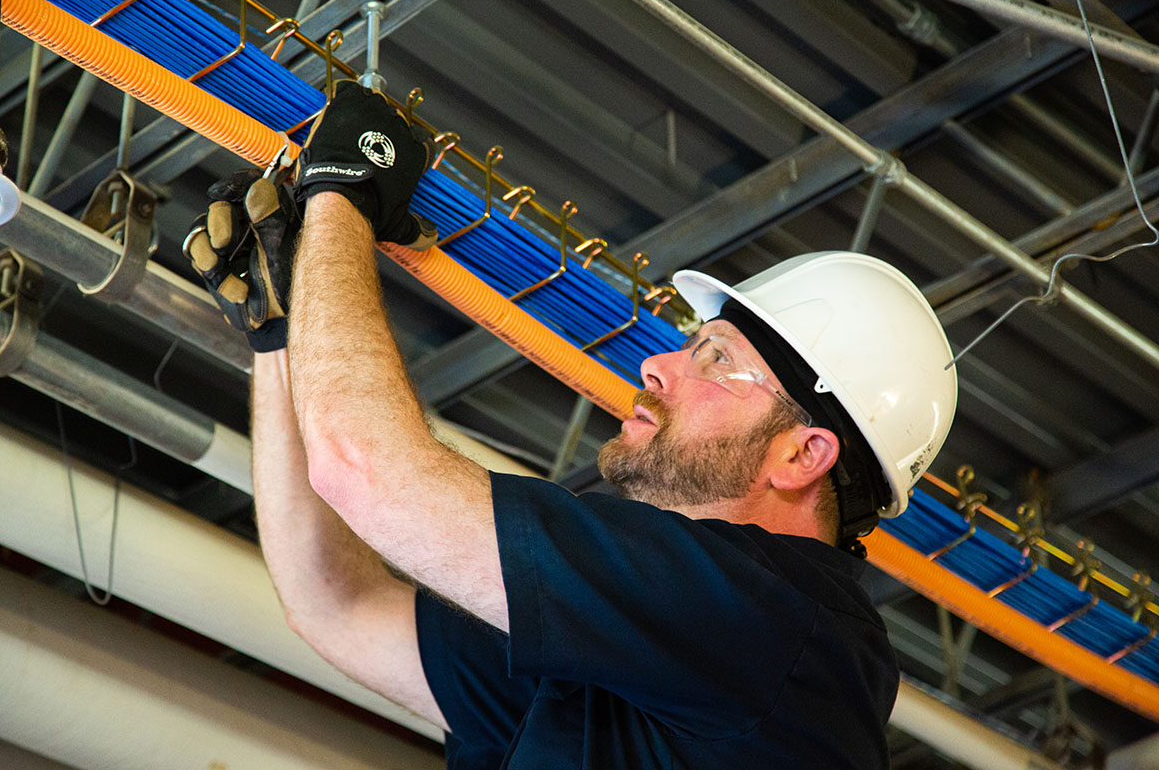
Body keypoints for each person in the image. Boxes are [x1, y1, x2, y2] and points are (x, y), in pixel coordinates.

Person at [186, 83, 958, 769]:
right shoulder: (632, 659)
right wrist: (284, 331)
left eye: (716, 357)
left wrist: (342, 195)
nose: (657, 366)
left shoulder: (779, 629)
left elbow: (364, 473)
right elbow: (336, 605)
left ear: (801, 454)